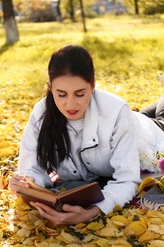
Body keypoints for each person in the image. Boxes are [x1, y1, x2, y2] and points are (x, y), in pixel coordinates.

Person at [9, 45, 164, 225]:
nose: (70, 104)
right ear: (50, 87)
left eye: (80, 94)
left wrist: (91, 212)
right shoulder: (40, 114)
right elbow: (31, 168)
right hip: (135, 120)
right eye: (61, 94)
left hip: (151, 135)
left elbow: (127, 179)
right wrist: (27, 183)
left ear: (92, 86)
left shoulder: (117, 111)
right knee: (145, 114)